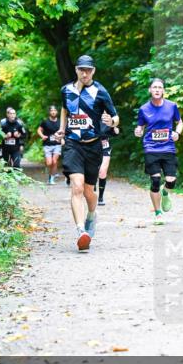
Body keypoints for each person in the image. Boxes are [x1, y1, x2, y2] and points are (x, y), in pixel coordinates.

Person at [53, 55, 119, 251]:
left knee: (90, 191)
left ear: (93, 71)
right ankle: (80, 230)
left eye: (88, 70)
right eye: (81, 69)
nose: (85, 73)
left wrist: (112, 122)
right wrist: (62, 129)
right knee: (77, 188)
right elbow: (65, 109)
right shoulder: (66, 90)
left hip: (93, 146)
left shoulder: (100, 91)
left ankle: (91, 215)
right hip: (73, 145)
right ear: (76, 70)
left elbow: (115, 117)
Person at [134, 78, 183, 224]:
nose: (157, 90)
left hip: (168, 148)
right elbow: (140, 127)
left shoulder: (171, 106)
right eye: (154, 87)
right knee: (155, 180)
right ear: (150, 90)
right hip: (151, 148)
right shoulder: (144, 109)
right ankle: (157, 213)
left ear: (163, 91)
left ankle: (165, 192)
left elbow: (179, 122)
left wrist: (177, 133)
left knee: (171, 181)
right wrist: (138, 130)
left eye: (160, 87)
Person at [37, 105, 63, 184]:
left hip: (57, 144)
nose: (53, 112)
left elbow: (63, 132)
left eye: (54, 110)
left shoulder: (60, 122)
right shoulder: (45, 122)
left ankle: (51, 178)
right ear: (49, 112)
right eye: (51, 110)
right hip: (47, 145)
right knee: (49, 163)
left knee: (54, 162)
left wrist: (61, 138)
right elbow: (39, 130)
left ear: (57, 112)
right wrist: (42, 136)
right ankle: (51, 172)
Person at [97, 120, 121, 206]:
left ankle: (100, 197)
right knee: (92, 172)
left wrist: (115, 130)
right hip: (92, 148)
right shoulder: (91, 116)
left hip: (105, 148)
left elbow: (115, 133)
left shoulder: (109, 120)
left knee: (102, 172)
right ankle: (91, 190)